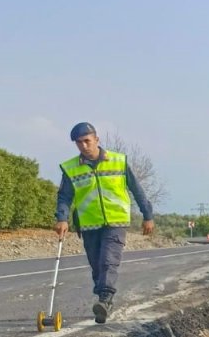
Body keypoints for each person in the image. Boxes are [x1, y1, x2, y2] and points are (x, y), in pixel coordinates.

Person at [53, 122, 154, 324]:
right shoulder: (71, 168)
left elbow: (137, 189)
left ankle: (105, 299)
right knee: (97, 265)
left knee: (109, 260)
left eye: (87, 141)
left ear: (96, 140)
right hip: (89, 224)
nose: (83, 145)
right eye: (79, 143)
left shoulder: (118, 161)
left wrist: (147, 215)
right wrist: (62, 218)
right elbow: (64, 196)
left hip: (115, 222)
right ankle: (103, 297)